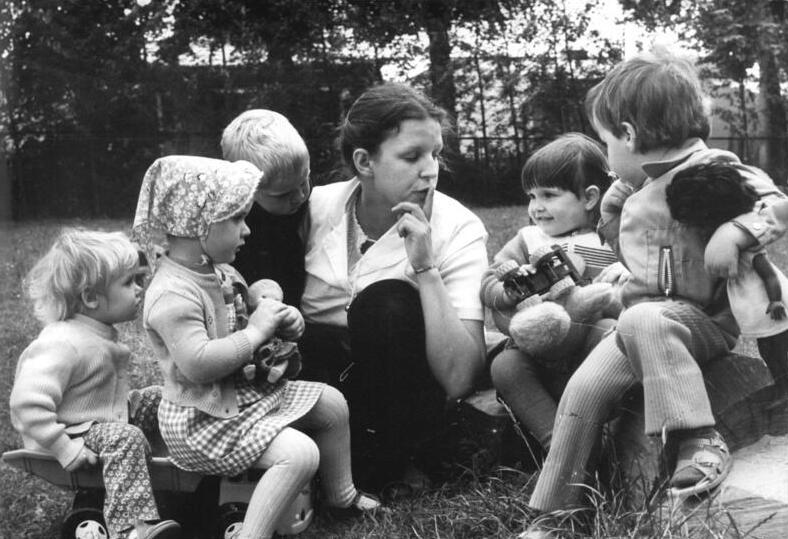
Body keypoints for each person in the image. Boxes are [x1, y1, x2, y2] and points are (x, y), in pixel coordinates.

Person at [519, 49, 787, 539]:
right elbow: (632, 249)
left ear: (628, 134)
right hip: (641, 323)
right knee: (583, 389)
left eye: (605, 141)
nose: (607, 157)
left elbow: (777, 205)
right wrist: (613, 214)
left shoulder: (715, 166)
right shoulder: (636, 186)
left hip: (699, 323)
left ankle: (698, 439)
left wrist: (738, 233)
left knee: (643, 320)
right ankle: (555, 515)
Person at [132, 155, 380, 539]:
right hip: (204, 421)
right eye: (236, 220)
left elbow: (244, 306)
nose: (246, 230)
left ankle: (341, 495)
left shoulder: (217, 270)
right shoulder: (172, 295)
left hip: (242, 400)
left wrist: (270, 304)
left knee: (331, 403)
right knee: (299, 454)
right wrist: (257, 333)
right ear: (198, 225)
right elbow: (199, 364)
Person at [297, 82, 489, 494]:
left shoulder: (458, 228)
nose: (431, 170)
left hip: (404, 395)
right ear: (364, 161)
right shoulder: (314, 209)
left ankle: (394, 463)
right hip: (322, 381)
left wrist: (425, 268)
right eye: (412, 156)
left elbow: (459, 377)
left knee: (385, 303)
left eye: (435, 154)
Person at [9, 228, 181, 539]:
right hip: (71, 432)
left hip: (100, 422)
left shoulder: (97, 333)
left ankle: (179, 459)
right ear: (90, 297)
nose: (139, 289)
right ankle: (132, 528)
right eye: (128, 282)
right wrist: (65, 448)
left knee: (158, 396)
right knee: (124, 437)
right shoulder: (64, 342)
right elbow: (27, 403)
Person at [481, 133, 619, 455]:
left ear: (589, 198)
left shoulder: (611, 239)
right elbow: (489, 279)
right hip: (537, 351)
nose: (536, 207)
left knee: (610, 336)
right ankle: (557, 445)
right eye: (531, 196)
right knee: (505, 366)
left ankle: (606, 432)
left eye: (548, 195)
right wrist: (509, 292)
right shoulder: (529, 239)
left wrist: (619, 282)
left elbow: (634, 279)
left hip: (585, 350)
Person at [666, 161, 788, 404]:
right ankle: (781, 385)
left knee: (780, 349)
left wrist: (775, 301)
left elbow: (768, 274)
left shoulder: (746, 247)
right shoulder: (725, 246)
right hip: (756, 307)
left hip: (770, 305)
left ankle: (785, 388)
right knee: (769, 349)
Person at [221, 109, 311, 307]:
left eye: (304, 182)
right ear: (247, 190)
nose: (300, 196)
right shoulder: (235, 227)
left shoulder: (310, 204)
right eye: (283, 194)